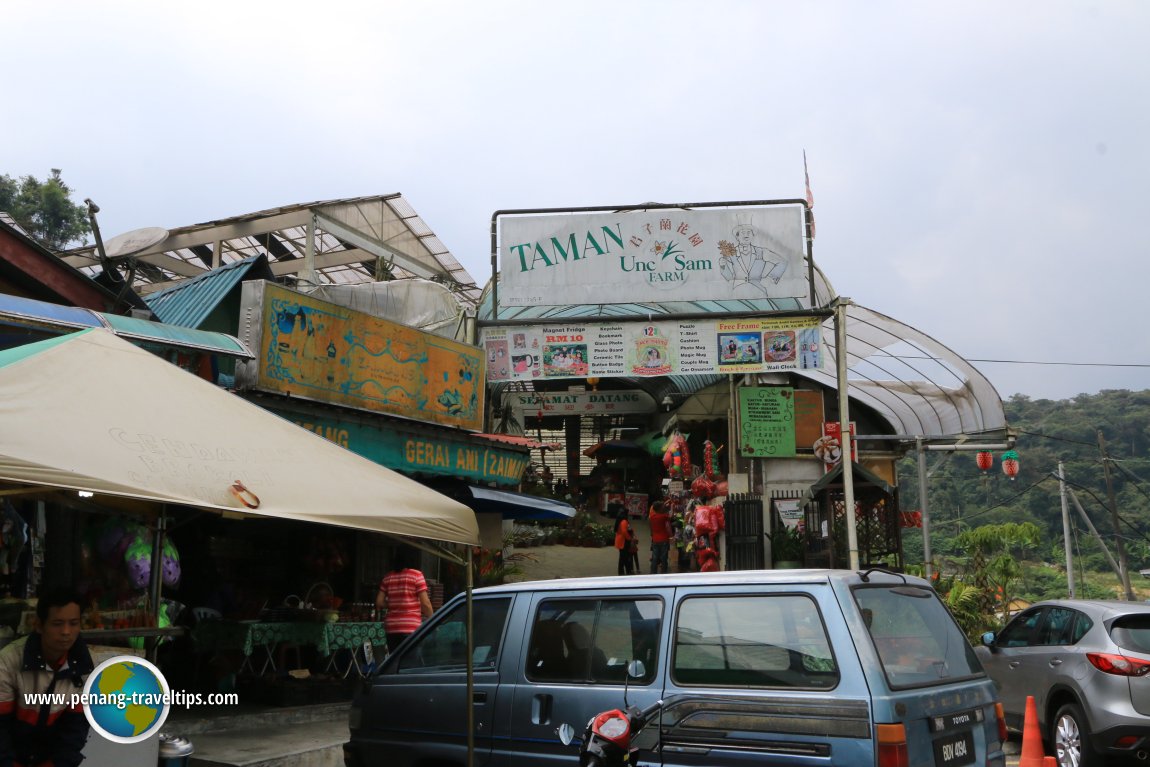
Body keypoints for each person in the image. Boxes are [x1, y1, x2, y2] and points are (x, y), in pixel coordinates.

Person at [0, 588, 93, 767]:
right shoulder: (8, 661)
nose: (66, 631)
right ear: (39, 625)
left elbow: (75, 730)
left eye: (73, 623)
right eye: (57, 623)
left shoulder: (86, 667)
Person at [376, 550, 434, 652]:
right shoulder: (417, 575)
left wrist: (393, 604)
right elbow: (425, 604)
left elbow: (379, 602)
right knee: (410, 665)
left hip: (392, 629)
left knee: (395, 663)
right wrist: (433, 621)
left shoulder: (388, 577)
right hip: (411, 628)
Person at [648, 502, 673, 574]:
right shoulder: (664, 517)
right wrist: (671, 507)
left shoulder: (652, 517)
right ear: (659, 508)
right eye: (662, 506)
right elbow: (670, 518)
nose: (663, 507)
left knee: (655, 557)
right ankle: (663, 573)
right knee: (664, 558)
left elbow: (651, 528)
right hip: (664, 539)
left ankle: (653, 572)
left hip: (655, 540)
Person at [611, 505, 634, 576]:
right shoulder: (624, 521)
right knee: (624, 558)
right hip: (623, 542)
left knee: (622, 558)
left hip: (620, 541)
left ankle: (623, 572)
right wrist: (629, 538)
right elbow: (624, 531)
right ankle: (625, 572)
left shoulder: (620, 520)